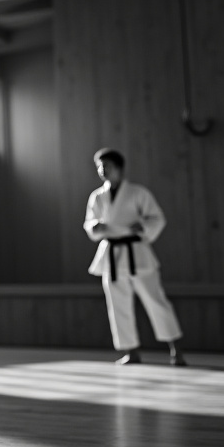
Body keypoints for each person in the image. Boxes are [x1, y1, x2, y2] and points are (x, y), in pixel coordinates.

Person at [83, 148, 186, 366]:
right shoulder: (97, 196)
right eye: (100, 166)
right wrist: (95, 227)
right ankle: (131, 351)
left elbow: (157, 219)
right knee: (118, 305)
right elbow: (89, 223)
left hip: (137, 252)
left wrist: (144, 226)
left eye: (107, 165)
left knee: (155, 300)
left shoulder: (138, 193)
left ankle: (176, 349)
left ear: (119, 167)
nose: (103, 170)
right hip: (111, 254)